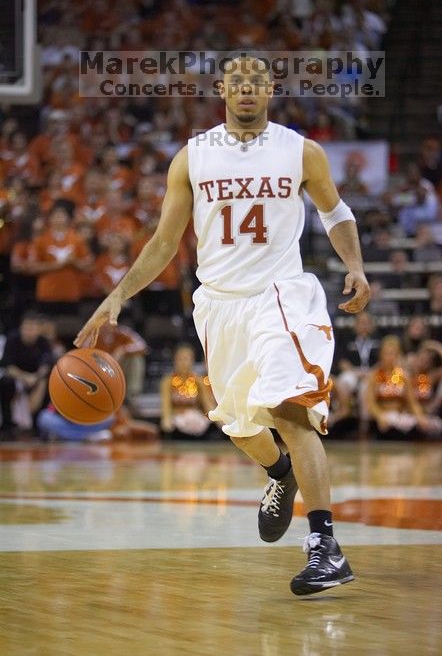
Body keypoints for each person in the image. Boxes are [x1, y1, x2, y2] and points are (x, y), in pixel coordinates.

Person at [75, 55, 370, 596]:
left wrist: (353, 265)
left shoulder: (301, 150)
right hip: (219, 305)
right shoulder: (193, 156)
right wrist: (117, 294)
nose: (248, 91)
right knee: (239, 425)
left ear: (271, 89)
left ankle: (326, 547)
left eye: (257, 82)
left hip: (280, 295)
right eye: (238, 83)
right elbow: (165, 242)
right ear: (222, 89)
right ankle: (279, 472)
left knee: (291, 410)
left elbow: (336, 213)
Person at [0, 312, 52, 439]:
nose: (29, 332)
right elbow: (7, 364)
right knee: (5, 383)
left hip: (36, 378)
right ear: (21, 327)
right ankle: (8, 426)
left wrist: (37, 378)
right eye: (26, 328)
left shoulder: (43, 342)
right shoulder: (12, 339)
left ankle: (39, 426)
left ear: (38, 330)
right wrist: (24, 377)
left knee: (51, 382)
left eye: (32, 328)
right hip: (16, 377)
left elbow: (46, 365)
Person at [160, 343, 217, 438]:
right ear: (175, 360)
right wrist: (166, 420)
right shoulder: (167, 381)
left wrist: (220, 421)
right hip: (177, 421)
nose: (183, 362)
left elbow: (207, 404)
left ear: (192, 360)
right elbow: (165, 405)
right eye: (180, 359)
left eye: (186, 359)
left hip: (196, 420)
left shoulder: (198, 380)